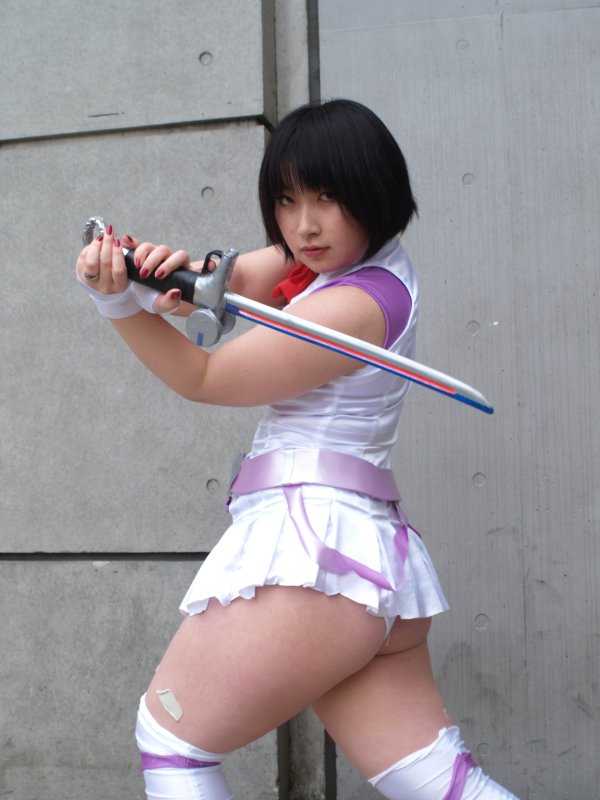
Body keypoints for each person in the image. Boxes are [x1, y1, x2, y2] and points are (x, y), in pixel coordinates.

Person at [76, 99, 519, 800]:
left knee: (173, 745)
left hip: (317, 553)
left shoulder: (357, 303)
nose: (304, 224)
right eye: (286, 199)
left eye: (327, 197)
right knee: (444, 786)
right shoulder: (337, 263)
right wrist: (156, 271)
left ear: (374, 189)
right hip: (362, 565)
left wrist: (114, 303)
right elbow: (233, 283)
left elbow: (206, 377)